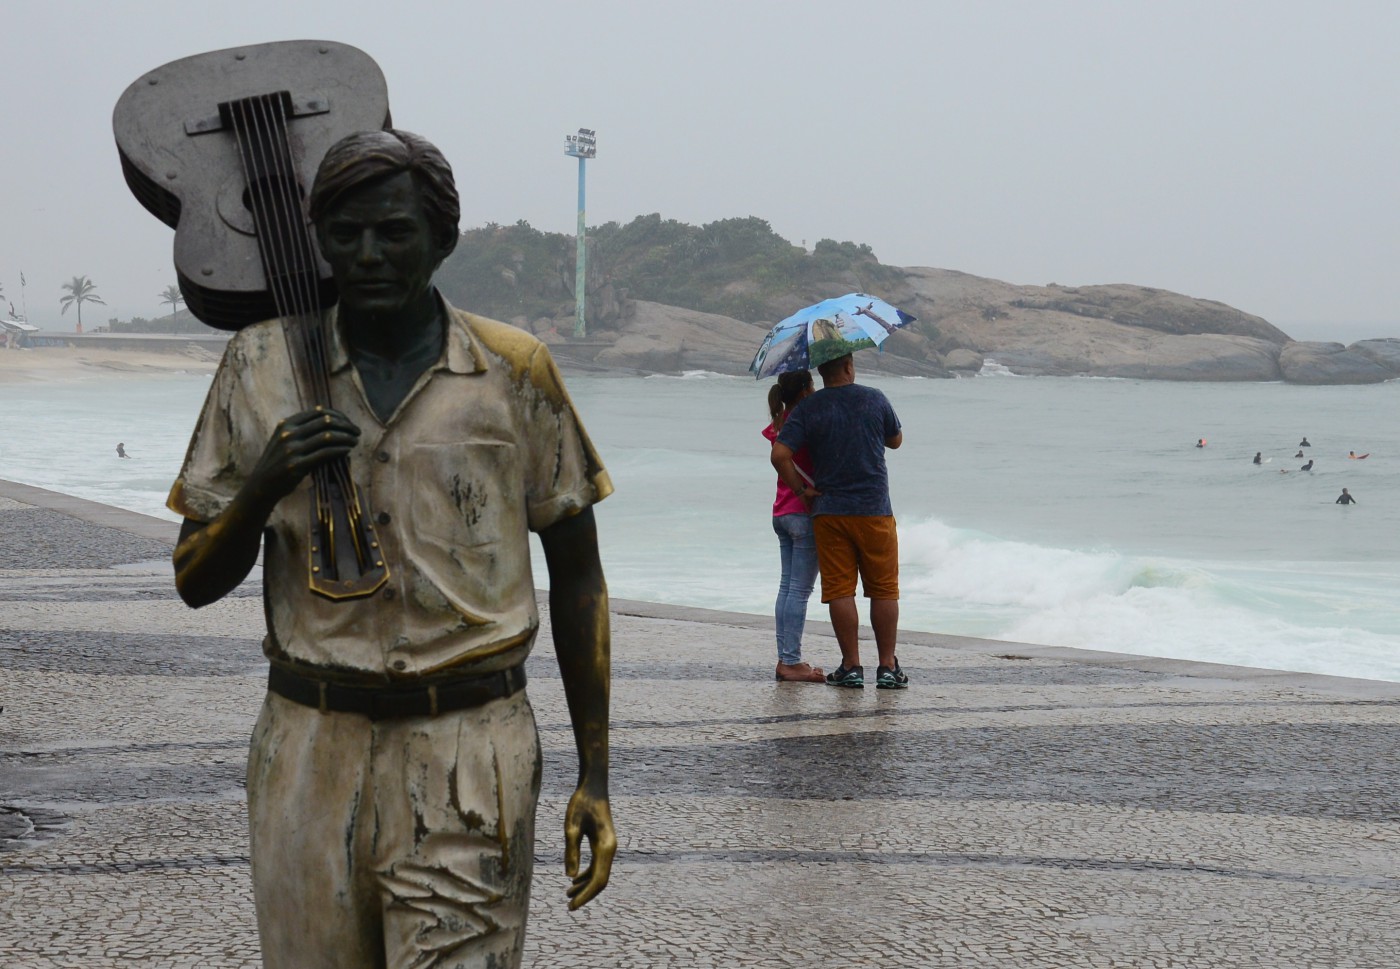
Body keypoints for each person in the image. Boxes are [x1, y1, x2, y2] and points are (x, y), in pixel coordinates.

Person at [167, 130, 614, 968]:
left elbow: (580, 574)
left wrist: (596, 771)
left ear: (441, 239)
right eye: (345, 234)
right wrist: (265, 484)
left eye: (395, 233)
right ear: (318, 239)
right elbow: (194, 578)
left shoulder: (513, 370)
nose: (368, 255)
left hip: (471, 745)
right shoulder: (257, 364)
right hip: (307, 746)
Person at [771, 352, 905, 690]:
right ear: (848, 366)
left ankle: (851, 666)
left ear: (822, 371)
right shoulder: (874, 398)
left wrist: (802, 491)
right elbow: (896, 440)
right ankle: (887, 667)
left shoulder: (809, 408)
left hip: (829, 512)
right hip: (874, 508)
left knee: (840, 591)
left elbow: (780, 454)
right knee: (884, 590)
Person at [764, 370, 823, 683]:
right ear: (803, 391)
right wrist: (804, 492)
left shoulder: (780, 422)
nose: (816, 389)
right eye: (812, 384)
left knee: (787, 587)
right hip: (802, 513)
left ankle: (785, 657)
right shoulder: (805, 422)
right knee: (799, 591)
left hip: (781, 513)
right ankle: (791, 661)